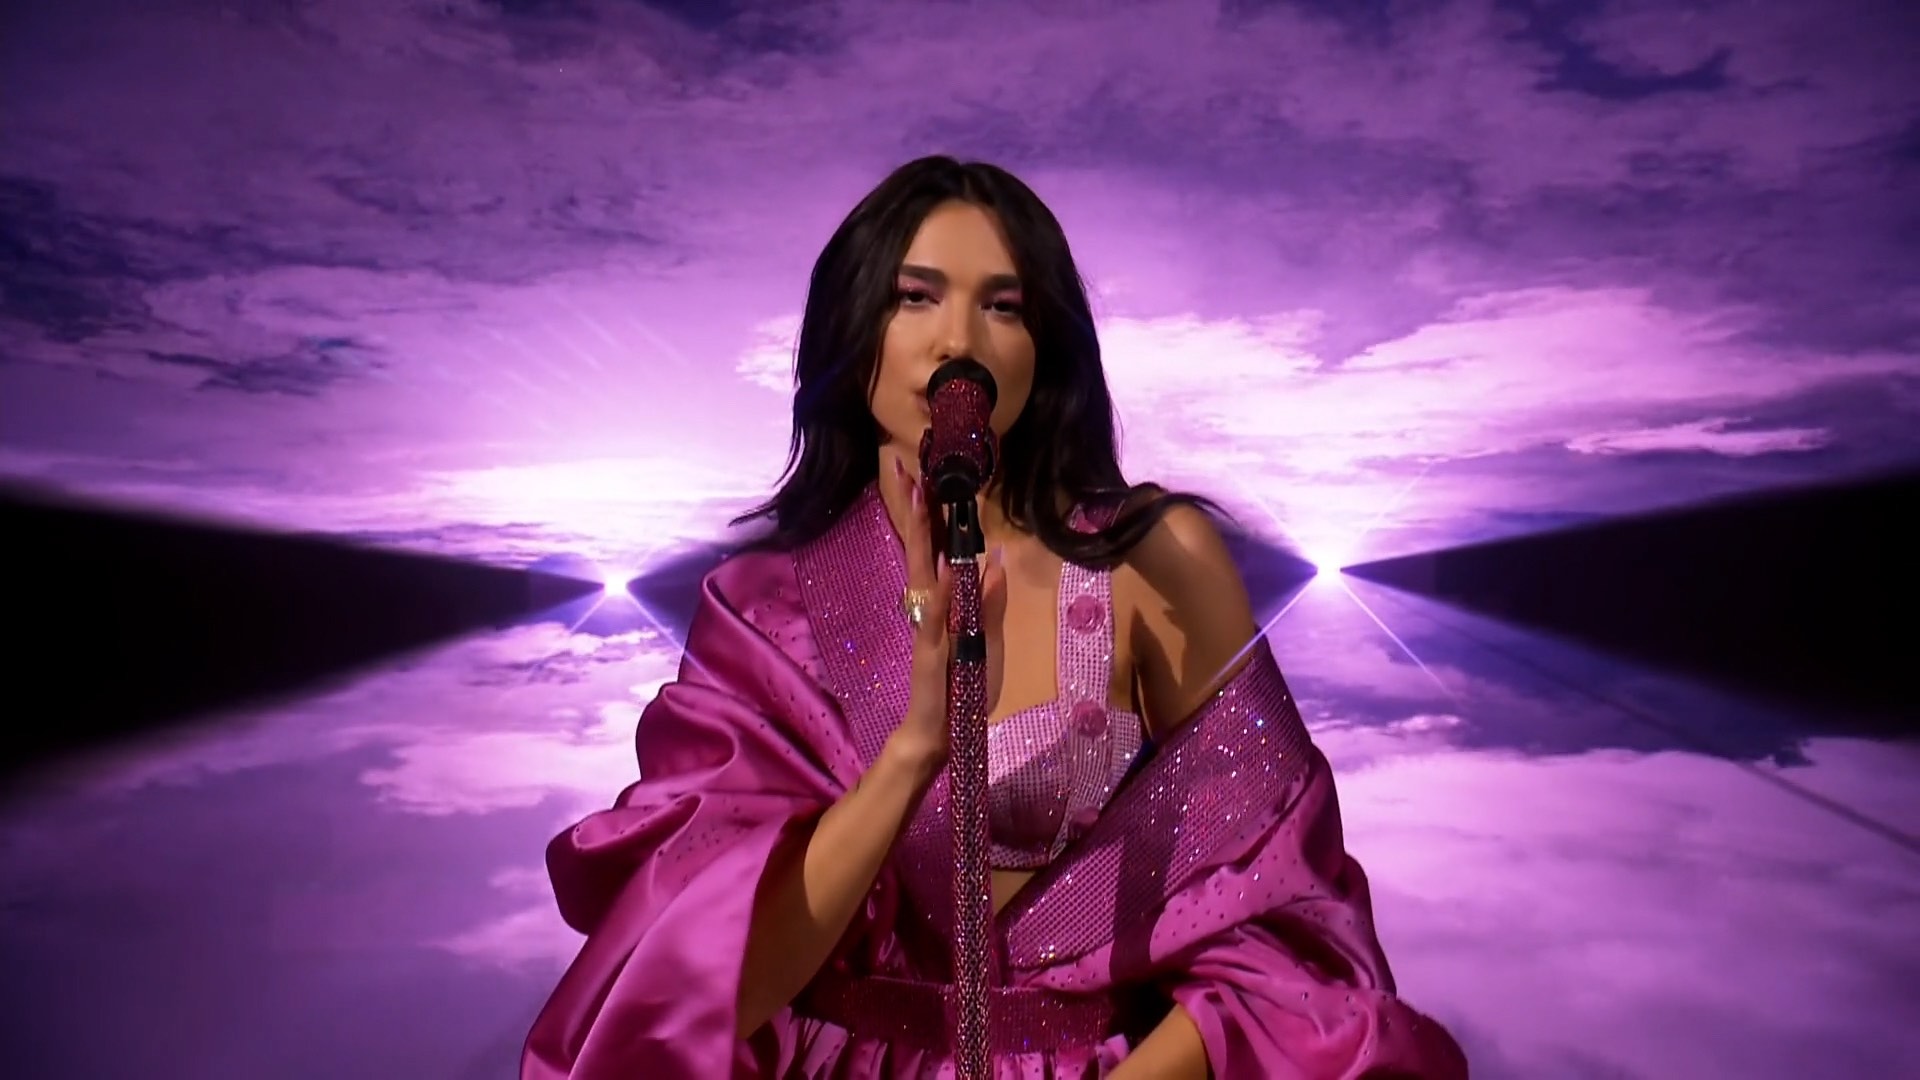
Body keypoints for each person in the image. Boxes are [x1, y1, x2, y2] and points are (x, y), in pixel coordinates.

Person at [521, 156, 1468, 1078]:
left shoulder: (1150, 559)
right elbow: (711, 991)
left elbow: (1283, 927)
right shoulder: (758, 606)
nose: (959, 341)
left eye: (1004, 306)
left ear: (1043, 348)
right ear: (853, 328)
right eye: (915, 297)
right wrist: (913, 750)